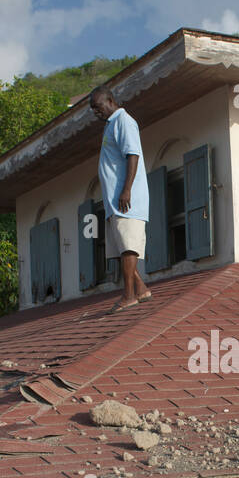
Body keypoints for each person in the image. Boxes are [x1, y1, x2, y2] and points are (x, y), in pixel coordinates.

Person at [89, 86, 152, 311]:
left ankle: (129, 295)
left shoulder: (124, 121)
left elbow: (132, 155)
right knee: (118, 248)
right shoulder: (110, 125)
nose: (96, 112)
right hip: (113, 202)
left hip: (127, 199)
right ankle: (140, 288)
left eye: (98, 107)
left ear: (111, 100)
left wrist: (126, 190)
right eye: (93, 110)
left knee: (128, 247)